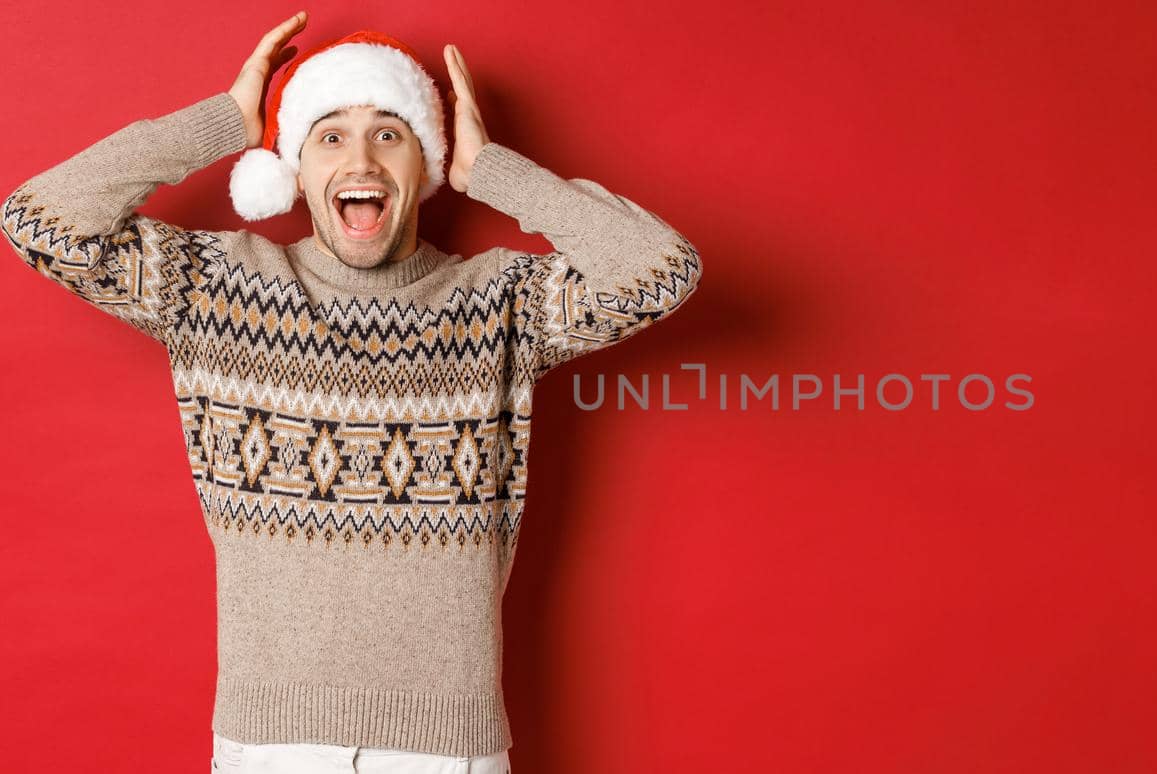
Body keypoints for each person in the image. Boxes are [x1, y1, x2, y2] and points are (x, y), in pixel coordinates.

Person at [2, 11, 702, 774]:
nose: (360, 157)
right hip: (271, 741)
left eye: (391, 134)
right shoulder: (216, 289)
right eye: (329, 135)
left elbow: (660, 269)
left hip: (448, 745)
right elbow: (41, 219)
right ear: (295, 171)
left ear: (427, 168)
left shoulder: (501, 302)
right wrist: (226, 122)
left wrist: (492, 170)